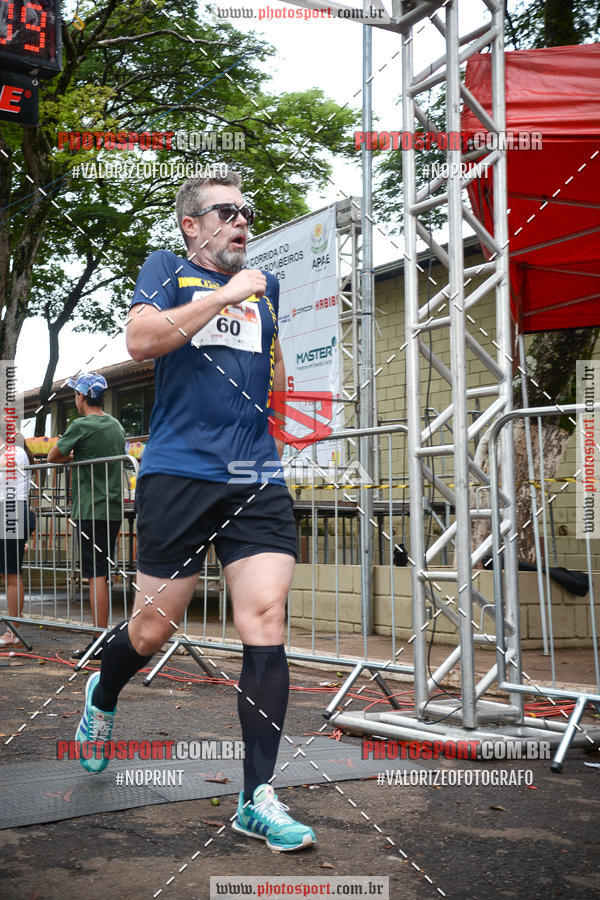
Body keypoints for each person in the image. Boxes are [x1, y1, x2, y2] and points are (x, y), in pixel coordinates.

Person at [74, 170, 315, 852]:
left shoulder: (265, 298)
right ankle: (104, 691)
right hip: (179, 474)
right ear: (193, 224)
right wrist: (224, 295)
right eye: (226, 211)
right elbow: (141, 341)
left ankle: (255, 796)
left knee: (265, 619)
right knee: (150, 632)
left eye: (247, 210)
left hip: (253, 475)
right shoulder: (169, 271)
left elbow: (273, 377)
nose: (241, 220)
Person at [48, 374, 126, 658]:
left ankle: (99, 638)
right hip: (113, 508)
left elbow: (53, 456)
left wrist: (76, 458)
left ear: (81, 397)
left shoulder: (80, 425)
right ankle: (102, 637)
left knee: (95, 574)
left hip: (90, 508)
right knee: (102, 572)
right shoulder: (116, 426)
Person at [0, 431, 35, 647]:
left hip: (11, 511)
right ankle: (13, 629)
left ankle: (13, 631)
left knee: (11, 573)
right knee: (8, 573)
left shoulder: (12, 453)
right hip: (10, 511)